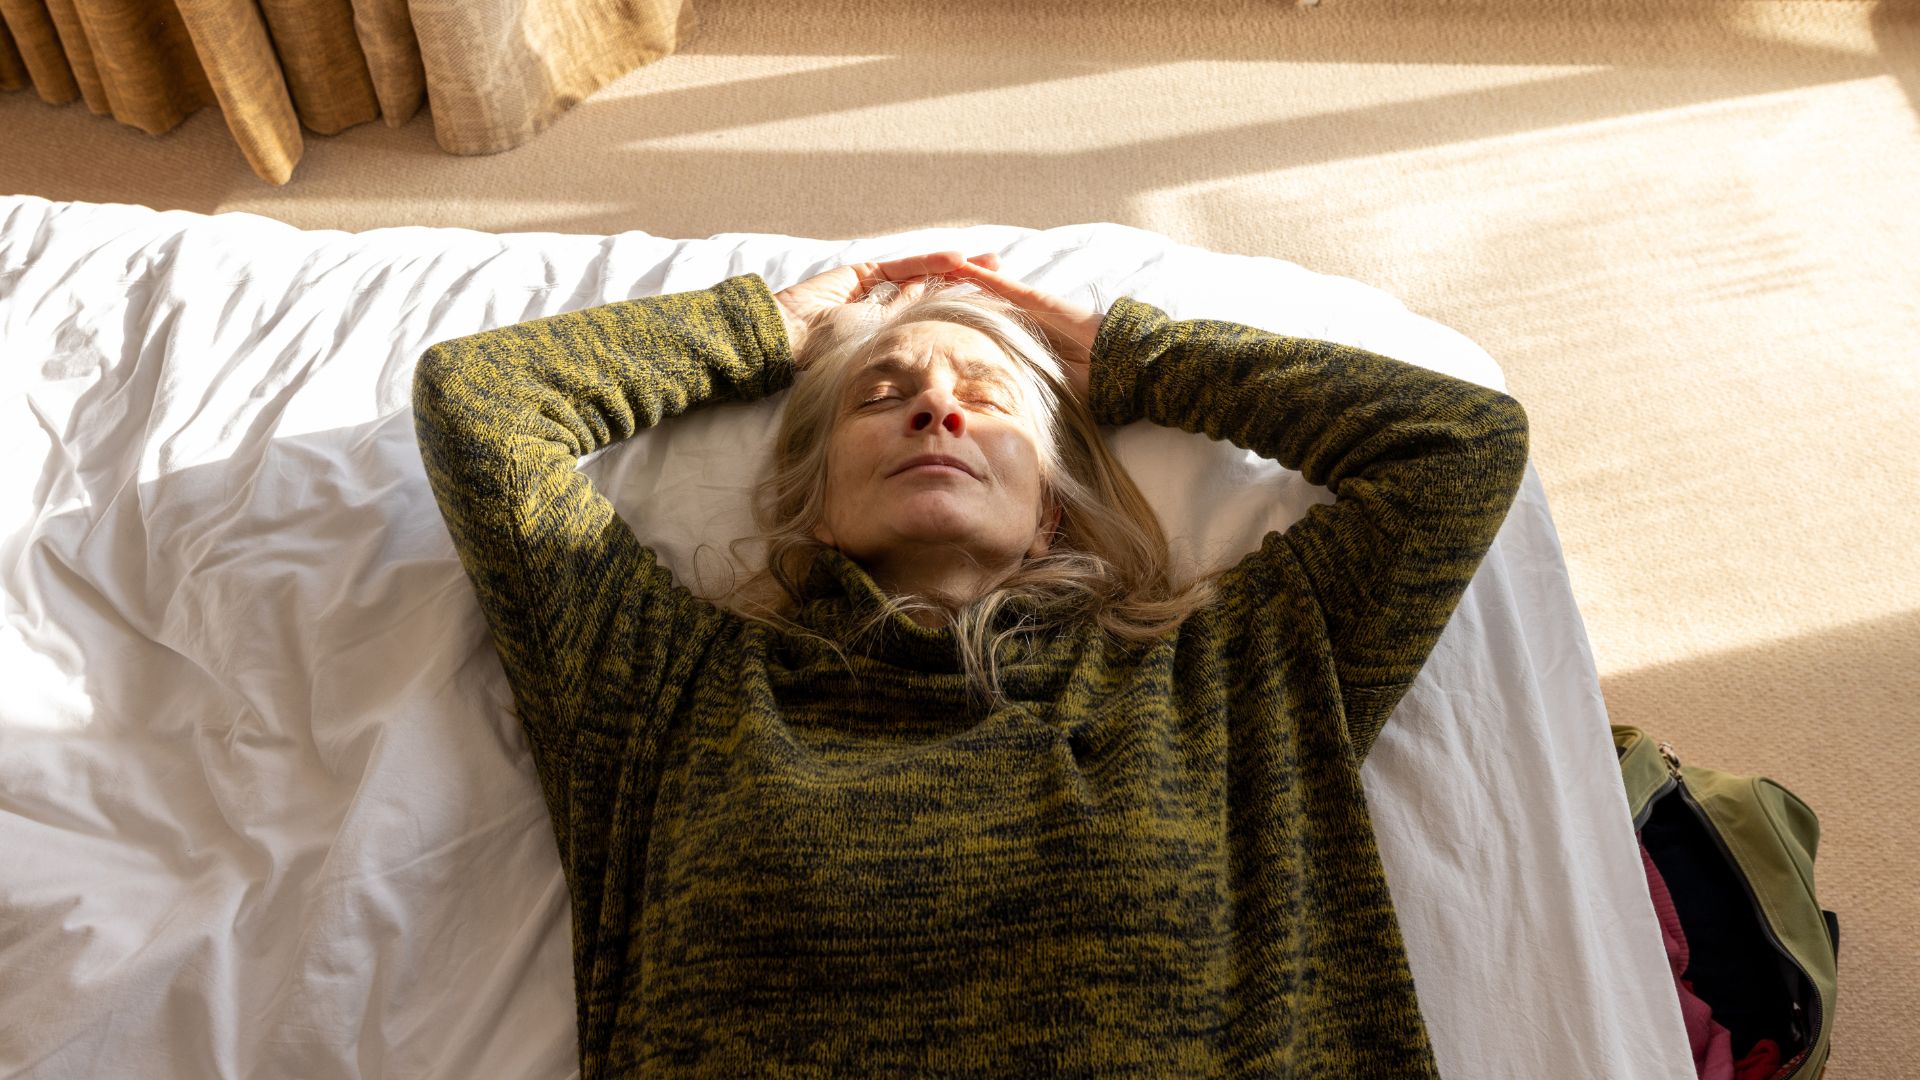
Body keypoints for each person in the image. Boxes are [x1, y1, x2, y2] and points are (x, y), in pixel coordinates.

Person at [412, 249, 1530, 1078]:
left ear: (1052, 506)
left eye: (986, 399)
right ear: (815, 508)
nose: (937, 406)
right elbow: (481, 410)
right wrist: (772, 327)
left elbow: (1463, 446)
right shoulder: (670, 688)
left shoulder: (1232, 678)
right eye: (881, 396)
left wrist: (1125, 358)